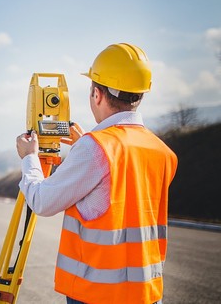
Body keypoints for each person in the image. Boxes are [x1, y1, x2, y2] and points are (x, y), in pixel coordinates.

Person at [16, 43, 177, 304]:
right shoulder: (162, 151)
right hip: (145, 293)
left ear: (98, 94)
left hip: (98, 294)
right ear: (139, 95)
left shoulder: (95, 149)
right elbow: (121, 188)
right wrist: (85, 145)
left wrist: (30, 157)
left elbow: (42, 202)